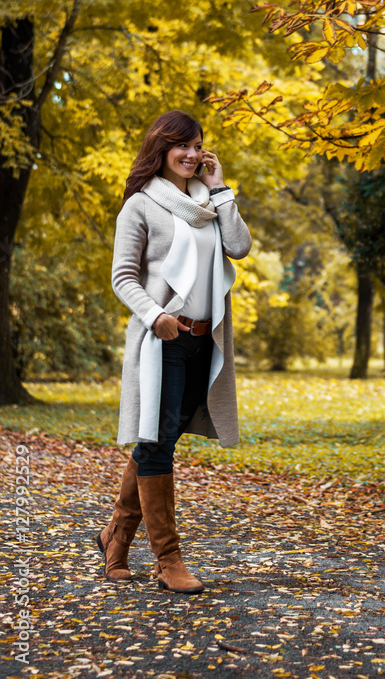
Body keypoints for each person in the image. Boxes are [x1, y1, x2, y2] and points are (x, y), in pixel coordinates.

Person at [96, 110, 251, 593]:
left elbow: (240, 248)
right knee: (159, 444)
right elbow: (123, 277)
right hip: (162, 338)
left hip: (205, 340)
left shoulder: (209, 202)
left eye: (196, 145)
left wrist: (221, 189)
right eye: (179, 146)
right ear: (160, 150)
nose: (189, 154)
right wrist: (155, 316)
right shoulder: (140, 206)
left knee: (158, 440)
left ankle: (117, 535)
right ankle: (168, 559)